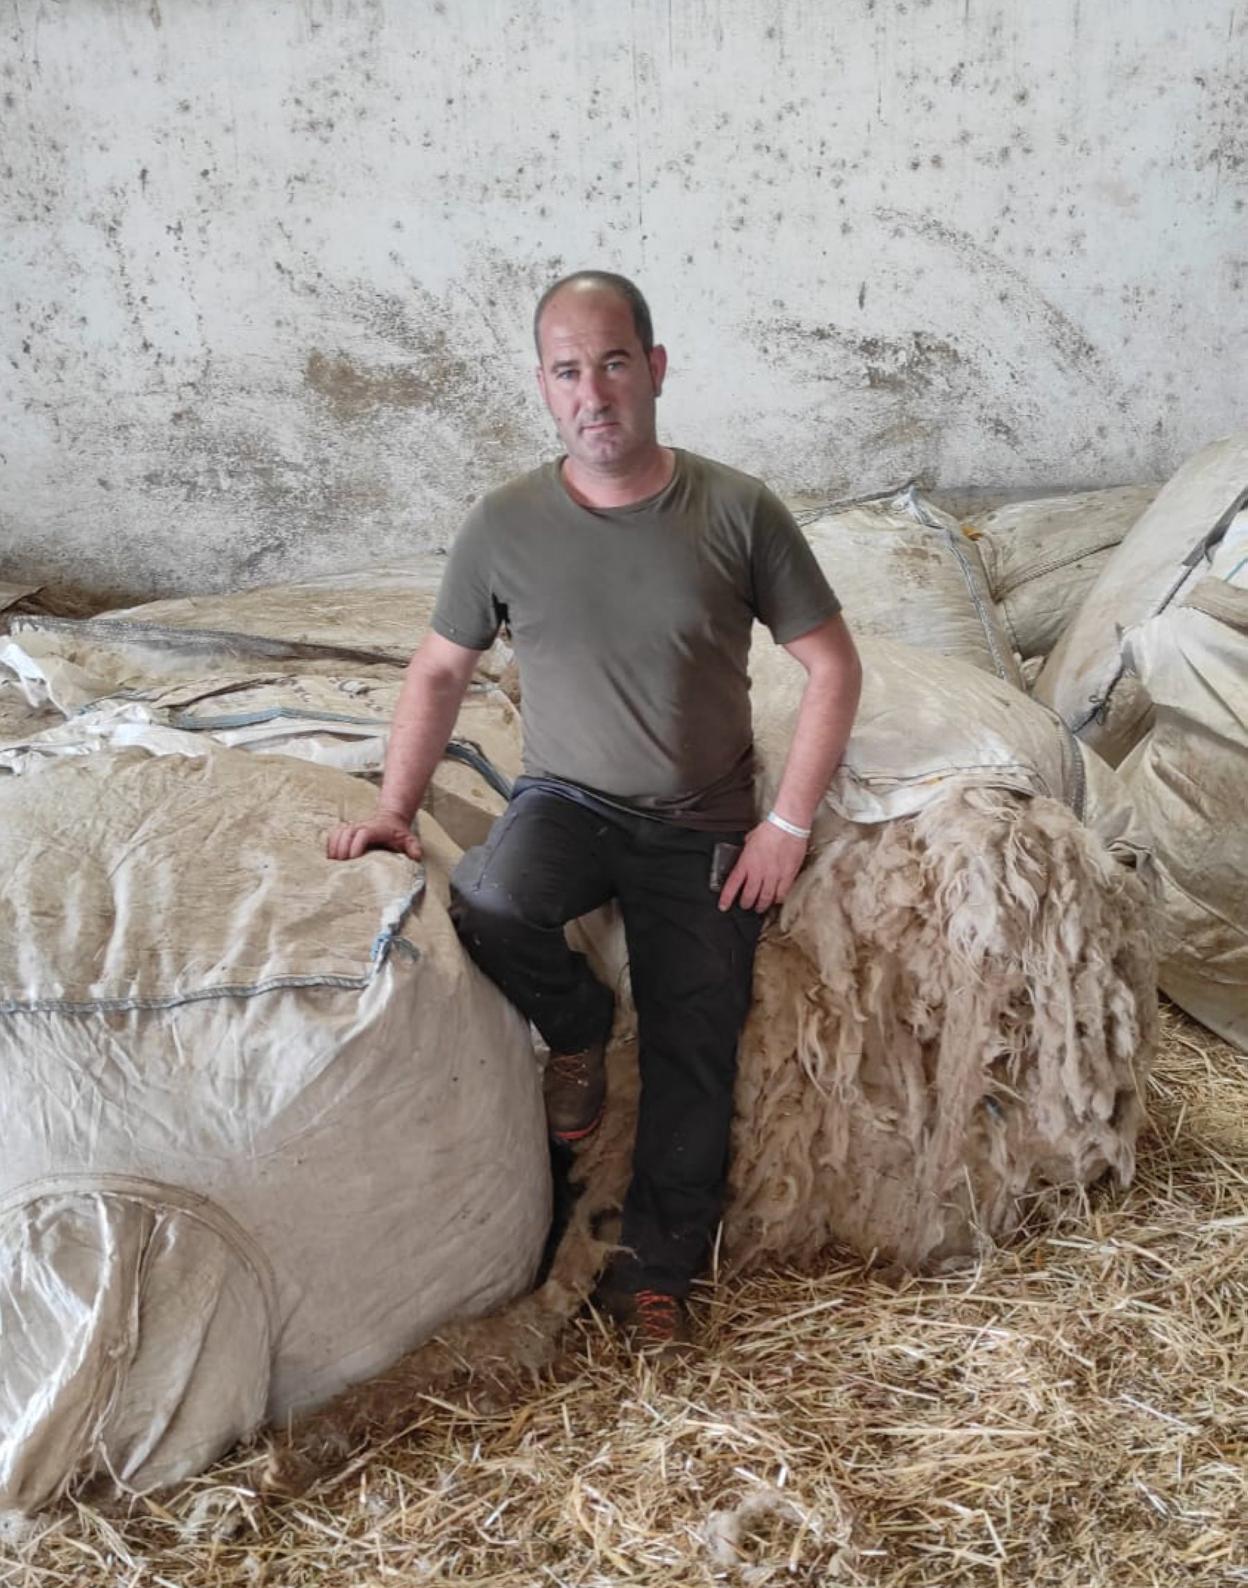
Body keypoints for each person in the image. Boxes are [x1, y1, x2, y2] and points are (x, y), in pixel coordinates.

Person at [327, 270, 861, 1349]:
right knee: (489, 894)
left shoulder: (736, 510)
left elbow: (833, 667)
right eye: (569, 371)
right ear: (543, 387)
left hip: (704, 819)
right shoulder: (506, 524)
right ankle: (575, 1029)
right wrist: (395, 805)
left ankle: (655, 1274)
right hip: (566, 798)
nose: (594, 392)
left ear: (655, 369)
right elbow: (436, 674)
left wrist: (786, 824)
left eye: (614, 363)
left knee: (693, 1040)